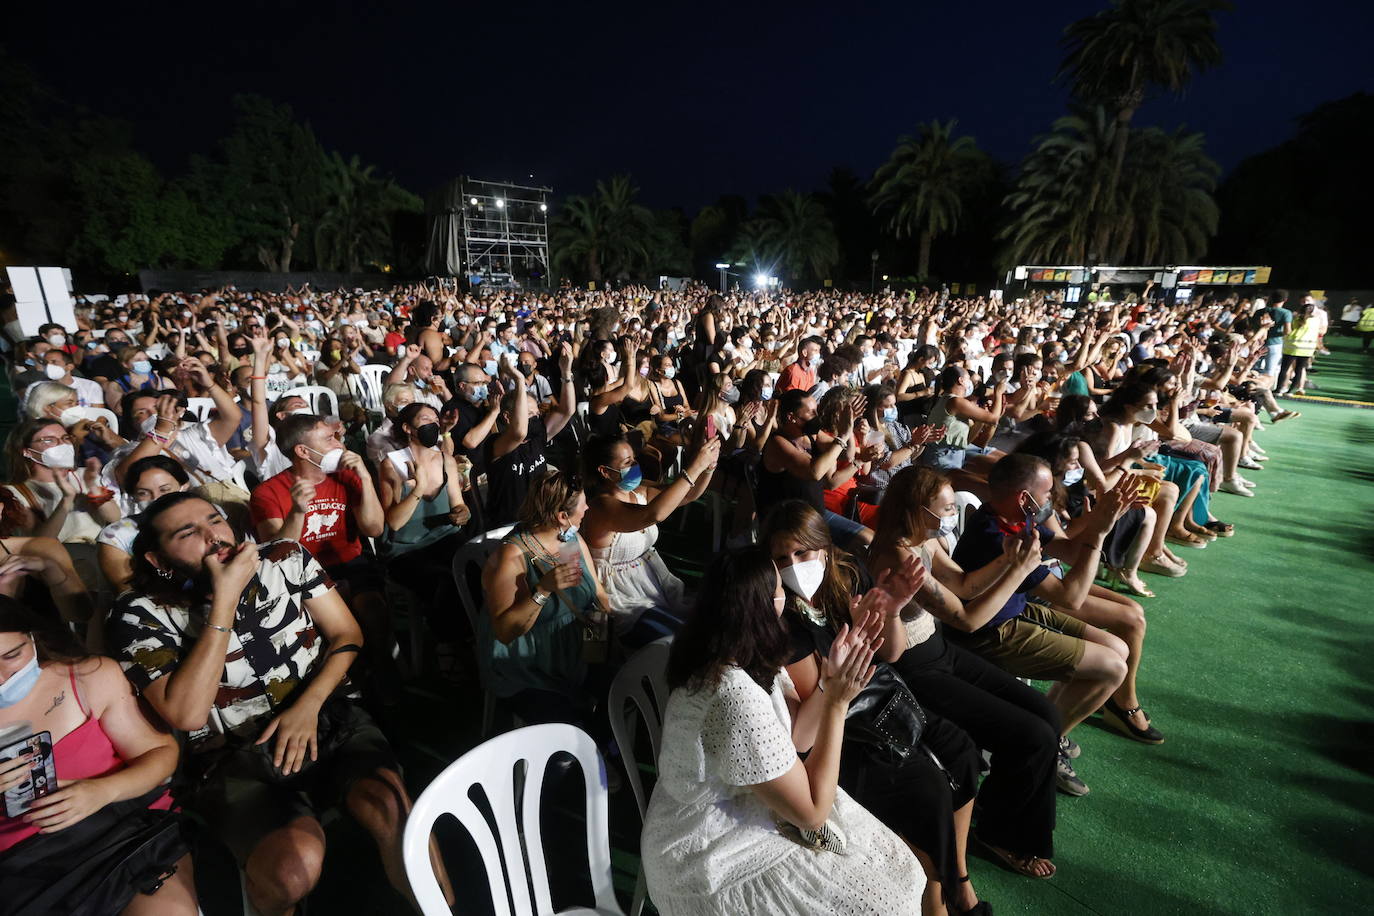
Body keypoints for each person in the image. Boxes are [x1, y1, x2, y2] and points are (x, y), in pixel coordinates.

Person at [107, 494, 449, 915]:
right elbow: (186, 714)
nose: (213, 537)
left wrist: (307, 707)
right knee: (292, 870)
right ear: (158, 559)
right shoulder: (138, 614)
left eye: (215, 520)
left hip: (324, 714)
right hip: (231, 752)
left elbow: (347, 634)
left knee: (392, 807)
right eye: (188, 533)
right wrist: (225, 600)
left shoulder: (285, 558)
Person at [641, 547, 924, 916]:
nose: (786, 596)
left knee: (902, 873)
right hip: (709, 853)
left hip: (751, 810)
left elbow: (794, 742)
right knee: (886, 905)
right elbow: (811, 815)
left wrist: (828, 682)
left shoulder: (737, 651)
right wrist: (839, 703)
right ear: (762, 607)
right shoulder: (731, 691)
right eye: (779, 588)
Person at [761, 501, 993, 914]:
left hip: (885, 700)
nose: (794, 565)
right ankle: (935, 898)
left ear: (826, 550)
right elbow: (808, 731)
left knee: (962, 751)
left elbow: (893, 652)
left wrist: (893, 612)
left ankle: (957, 876)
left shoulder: (847, 579)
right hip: (842, 730)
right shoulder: (784, 623)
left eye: (803, 552)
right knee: (929, 787)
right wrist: (842, 662)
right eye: (782, 558)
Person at [866, 468, 1061, 876]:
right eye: (947, 508)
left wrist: (1008, 558)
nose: (951, 515)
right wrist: (1019, 572)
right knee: (1032, 736)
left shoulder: (925, 538)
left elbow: (966, 585)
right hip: (915, 669)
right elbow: (968, 620)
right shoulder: (897, 553)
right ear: (918, 511)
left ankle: (997, 812)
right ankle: (1004, 835)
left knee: (1047, 715)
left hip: (940, 651)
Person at [0, 597, 195, 915]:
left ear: (32, 638)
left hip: (118, 829)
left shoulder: (87, 678)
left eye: (11, 655)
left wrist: (102, 790)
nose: (3, 676)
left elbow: (160, 754)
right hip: (25, 867)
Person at [479, 469, 611, 729]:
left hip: (577, 652)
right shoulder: (512, 557)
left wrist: (602, 647)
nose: (587, 507)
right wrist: (543, 589)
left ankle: (608, 754)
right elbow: (506, 632)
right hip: (526, 667)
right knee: (571, 726)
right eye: (582, 504)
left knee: (620, 692)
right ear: (562, 517)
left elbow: (598, 593)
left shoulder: (569, 538)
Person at [579, 433, 719, 649]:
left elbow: (688, 494)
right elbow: (653, 514)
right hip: (620, 595)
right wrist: (695, 467)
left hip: (651, 581)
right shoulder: (600, 507)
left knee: (704, 623)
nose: (635, 465)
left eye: (634, 458)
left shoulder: (641, 490)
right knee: (681, 640)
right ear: (605, 472)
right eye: (627, 462)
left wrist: (708, 467)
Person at [377, 402, 471, 675]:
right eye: (425, 420)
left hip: (444, 537)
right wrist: (417, 489)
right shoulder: (391, 465)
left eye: (435, 419)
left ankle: (473, 636)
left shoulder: (445, 459)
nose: (433, 424)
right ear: (408, 428)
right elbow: (393, 521)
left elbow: (458, 503)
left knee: (478, 566)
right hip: (407, 549)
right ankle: (448, 646)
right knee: (445, 579)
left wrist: (462, 514)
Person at [483, 344, 576, 527]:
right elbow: (519, 433)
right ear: (508, 417)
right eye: (528, 414)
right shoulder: (496, 444)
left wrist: (566, 372)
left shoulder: (537, 436)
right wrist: (518, 380)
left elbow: (567, 410)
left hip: (540, 519)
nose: (535, 418)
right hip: (509, 524)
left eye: (536, 414)